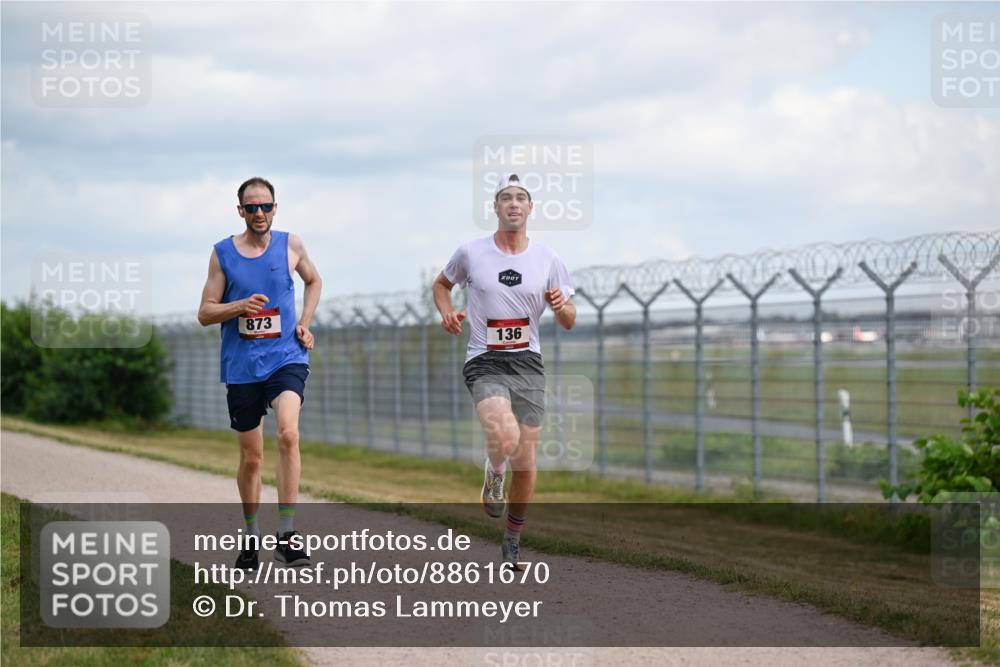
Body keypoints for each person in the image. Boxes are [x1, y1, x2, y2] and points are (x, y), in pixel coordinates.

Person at [433, 174, 576, 570]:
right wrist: (447, 312)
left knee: (526, 463)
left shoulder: (548, 259)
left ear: (531, 207)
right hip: (485, 358)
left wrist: (561, 305)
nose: (514, 204)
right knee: (505, 435)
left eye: (521, 198)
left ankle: (512, 539)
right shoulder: (471, 252)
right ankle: (495, 471)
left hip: (528, 361)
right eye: (506, 198)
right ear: (495, 207)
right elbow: (442, 285)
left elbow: (568, 320)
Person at [197, 177, 322, 570]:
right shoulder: (222, 253)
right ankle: (251, 537)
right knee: (252, 459)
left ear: (275, 208)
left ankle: (287, 535)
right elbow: (205, 312)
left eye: (265, 206)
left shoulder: (291, 245)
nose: (259, 213)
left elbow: (314, 280)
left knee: (288, 433)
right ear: (241, 211)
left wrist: (304, 322)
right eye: (251, 207)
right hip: (243, 366)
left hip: (286, 357)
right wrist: (239, 306)